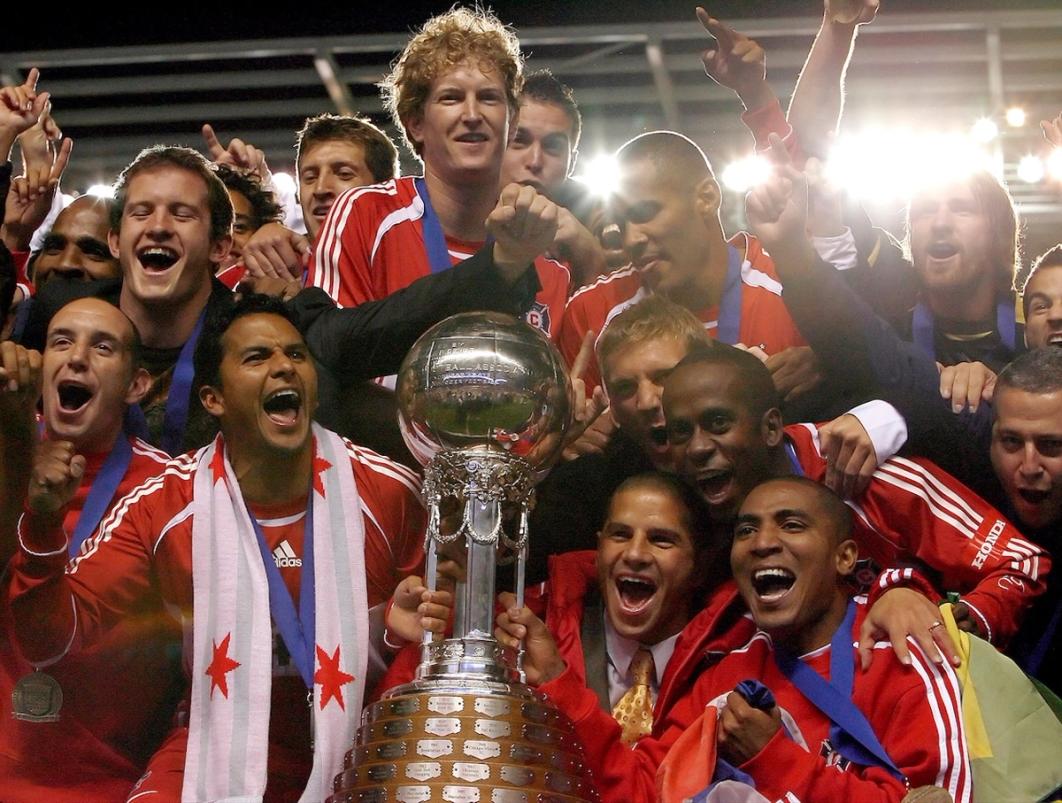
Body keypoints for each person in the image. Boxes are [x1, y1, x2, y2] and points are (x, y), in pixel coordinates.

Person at [7, 294, 435, 800]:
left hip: (365, 747)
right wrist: (43, 526)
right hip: (209, 749)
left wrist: (396, 636)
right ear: (213, 398)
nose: (283, 369)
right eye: (257, 358)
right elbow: (51, 640)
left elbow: (437, 636)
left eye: (296, 356)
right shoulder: (163, 506)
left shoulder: (390, 492)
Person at [661, 344, 1049, 647]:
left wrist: (963, 624)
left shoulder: (865, 471)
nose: (697, 448)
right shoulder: (688, 508)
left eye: (717, 423)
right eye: (680, 431)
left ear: (771, 427)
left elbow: (1021, 563)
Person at [659, 477, 971, 802]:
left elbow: (937, 798)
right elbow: (646, 783)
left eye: (792, 525)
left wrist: (774, 758)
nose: (762, 542)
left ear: (845, 558)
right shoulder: (728, 673)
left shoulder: (901, 649)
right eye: (746, 531)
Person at [0, 298, 180, 802]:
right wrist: (13, 437)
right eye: (61, 341)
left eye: (102, 347)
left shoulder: (169, 492)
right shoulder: (7, 447)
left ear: (137, 386)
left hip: (98, 785)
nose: (76, 358)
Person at [307, 8, 570, 342]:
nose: (472, 114)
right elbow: (325, 347)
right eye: (451, 98)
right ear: (416, 123)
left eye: (488, 98)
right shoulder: (366, 214)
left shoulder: (547, 268)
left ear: (512, 123)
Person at [556, 129, 807, 394]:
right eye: (618, 224)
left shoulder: (789, 280)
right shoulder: (590, 315)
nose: (631, 240)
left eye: (644, 213)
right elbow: (580, 431)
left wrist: (829, 366)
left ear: (707, 198)